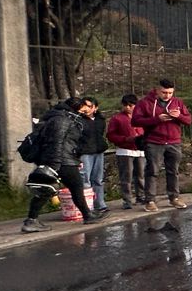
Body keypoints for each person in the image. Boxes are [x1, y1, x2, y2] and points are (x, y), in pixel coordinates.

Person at [22, 97, 95, 232]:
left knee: (47, 189)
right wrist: (54, 164)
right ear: (76, 108)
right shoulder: (62, 119)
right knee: (74, 186)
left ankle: (31, 220)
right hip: (61, 160)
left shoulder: (58, 117)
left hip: (59, 159)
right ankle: (88, 215)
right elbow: (57, 142)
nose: (85, 111)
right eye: (82, 108)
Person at [131, 79, 192, 212]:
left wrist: (179, 116)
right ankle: (150, 200)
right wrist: (156, 119)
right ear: (157, 90)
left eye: (170, 93)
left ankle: (174, 197)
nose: (167, 95)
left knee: (173, 171)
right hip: (154, 142)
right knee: (152, 171)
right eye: (164, 92)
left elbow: (188, 120)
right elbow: (135, 121)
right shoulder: (144, 103)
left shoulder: (177, 103)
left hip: (174, 141)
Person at [107, 94, 146, 209]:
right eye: (125, 105)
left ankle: (141, 197)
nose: (128, 108)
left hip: (140, 150)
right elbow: (111, 135)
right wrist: (125, 139)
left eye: (130, 105)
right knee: (126, 177)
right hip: (125, 151)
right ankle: (127, 200)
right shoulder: (117, 118)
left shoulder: (141, 117)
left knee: (141, 175)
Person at [78, 95, 109, 215]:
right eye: (84, 106)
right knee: (85, 179)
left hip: (98, 151)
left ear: (95, 108)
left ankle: (100, 204)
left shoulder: (100, 120)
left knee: (98, 179)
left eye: (89, 106)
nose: (87, 109)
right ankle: (87, 207)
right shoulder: (79, 120)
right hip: (85, 152)